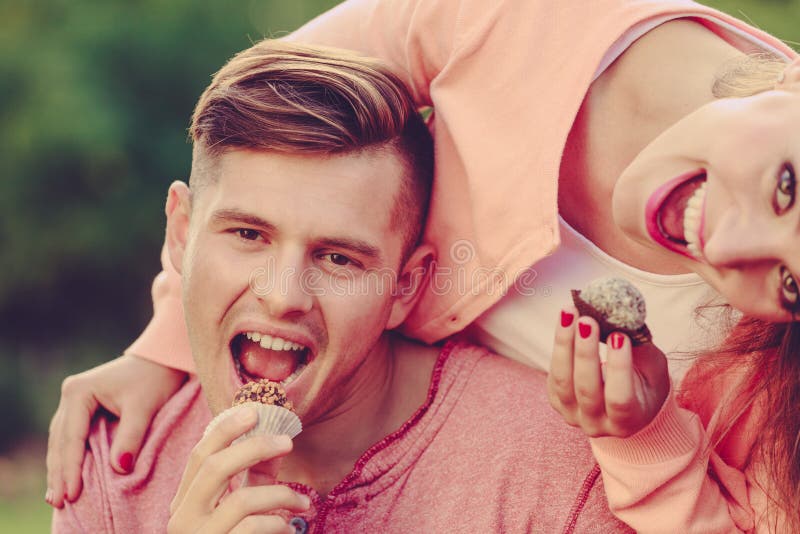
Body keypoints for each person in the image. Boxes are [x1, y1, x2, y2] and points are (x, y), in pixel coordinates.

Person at [47, 0, 800, 529]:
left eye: (793, 284)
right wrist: (166, 341)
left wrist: (644, 437)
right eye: (788, 187)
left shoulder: (777, 393)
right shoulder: (524, 20)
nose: (730, 252)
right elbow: (261, 141)